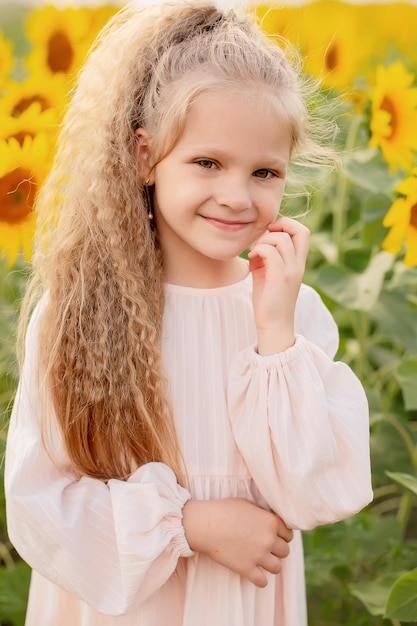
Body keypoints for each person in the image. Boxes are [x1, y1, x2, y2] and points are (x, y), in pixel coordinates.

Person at [5, 1, 373, 625]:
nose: (236, 196)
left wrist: (276, 337)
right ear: (145, 157)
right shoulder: (80, 315)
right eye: (207, 162)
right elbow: (38, 505)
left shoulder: (291, 315)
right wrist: (189, 523)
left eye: (264, 172)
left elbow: (320, 490)